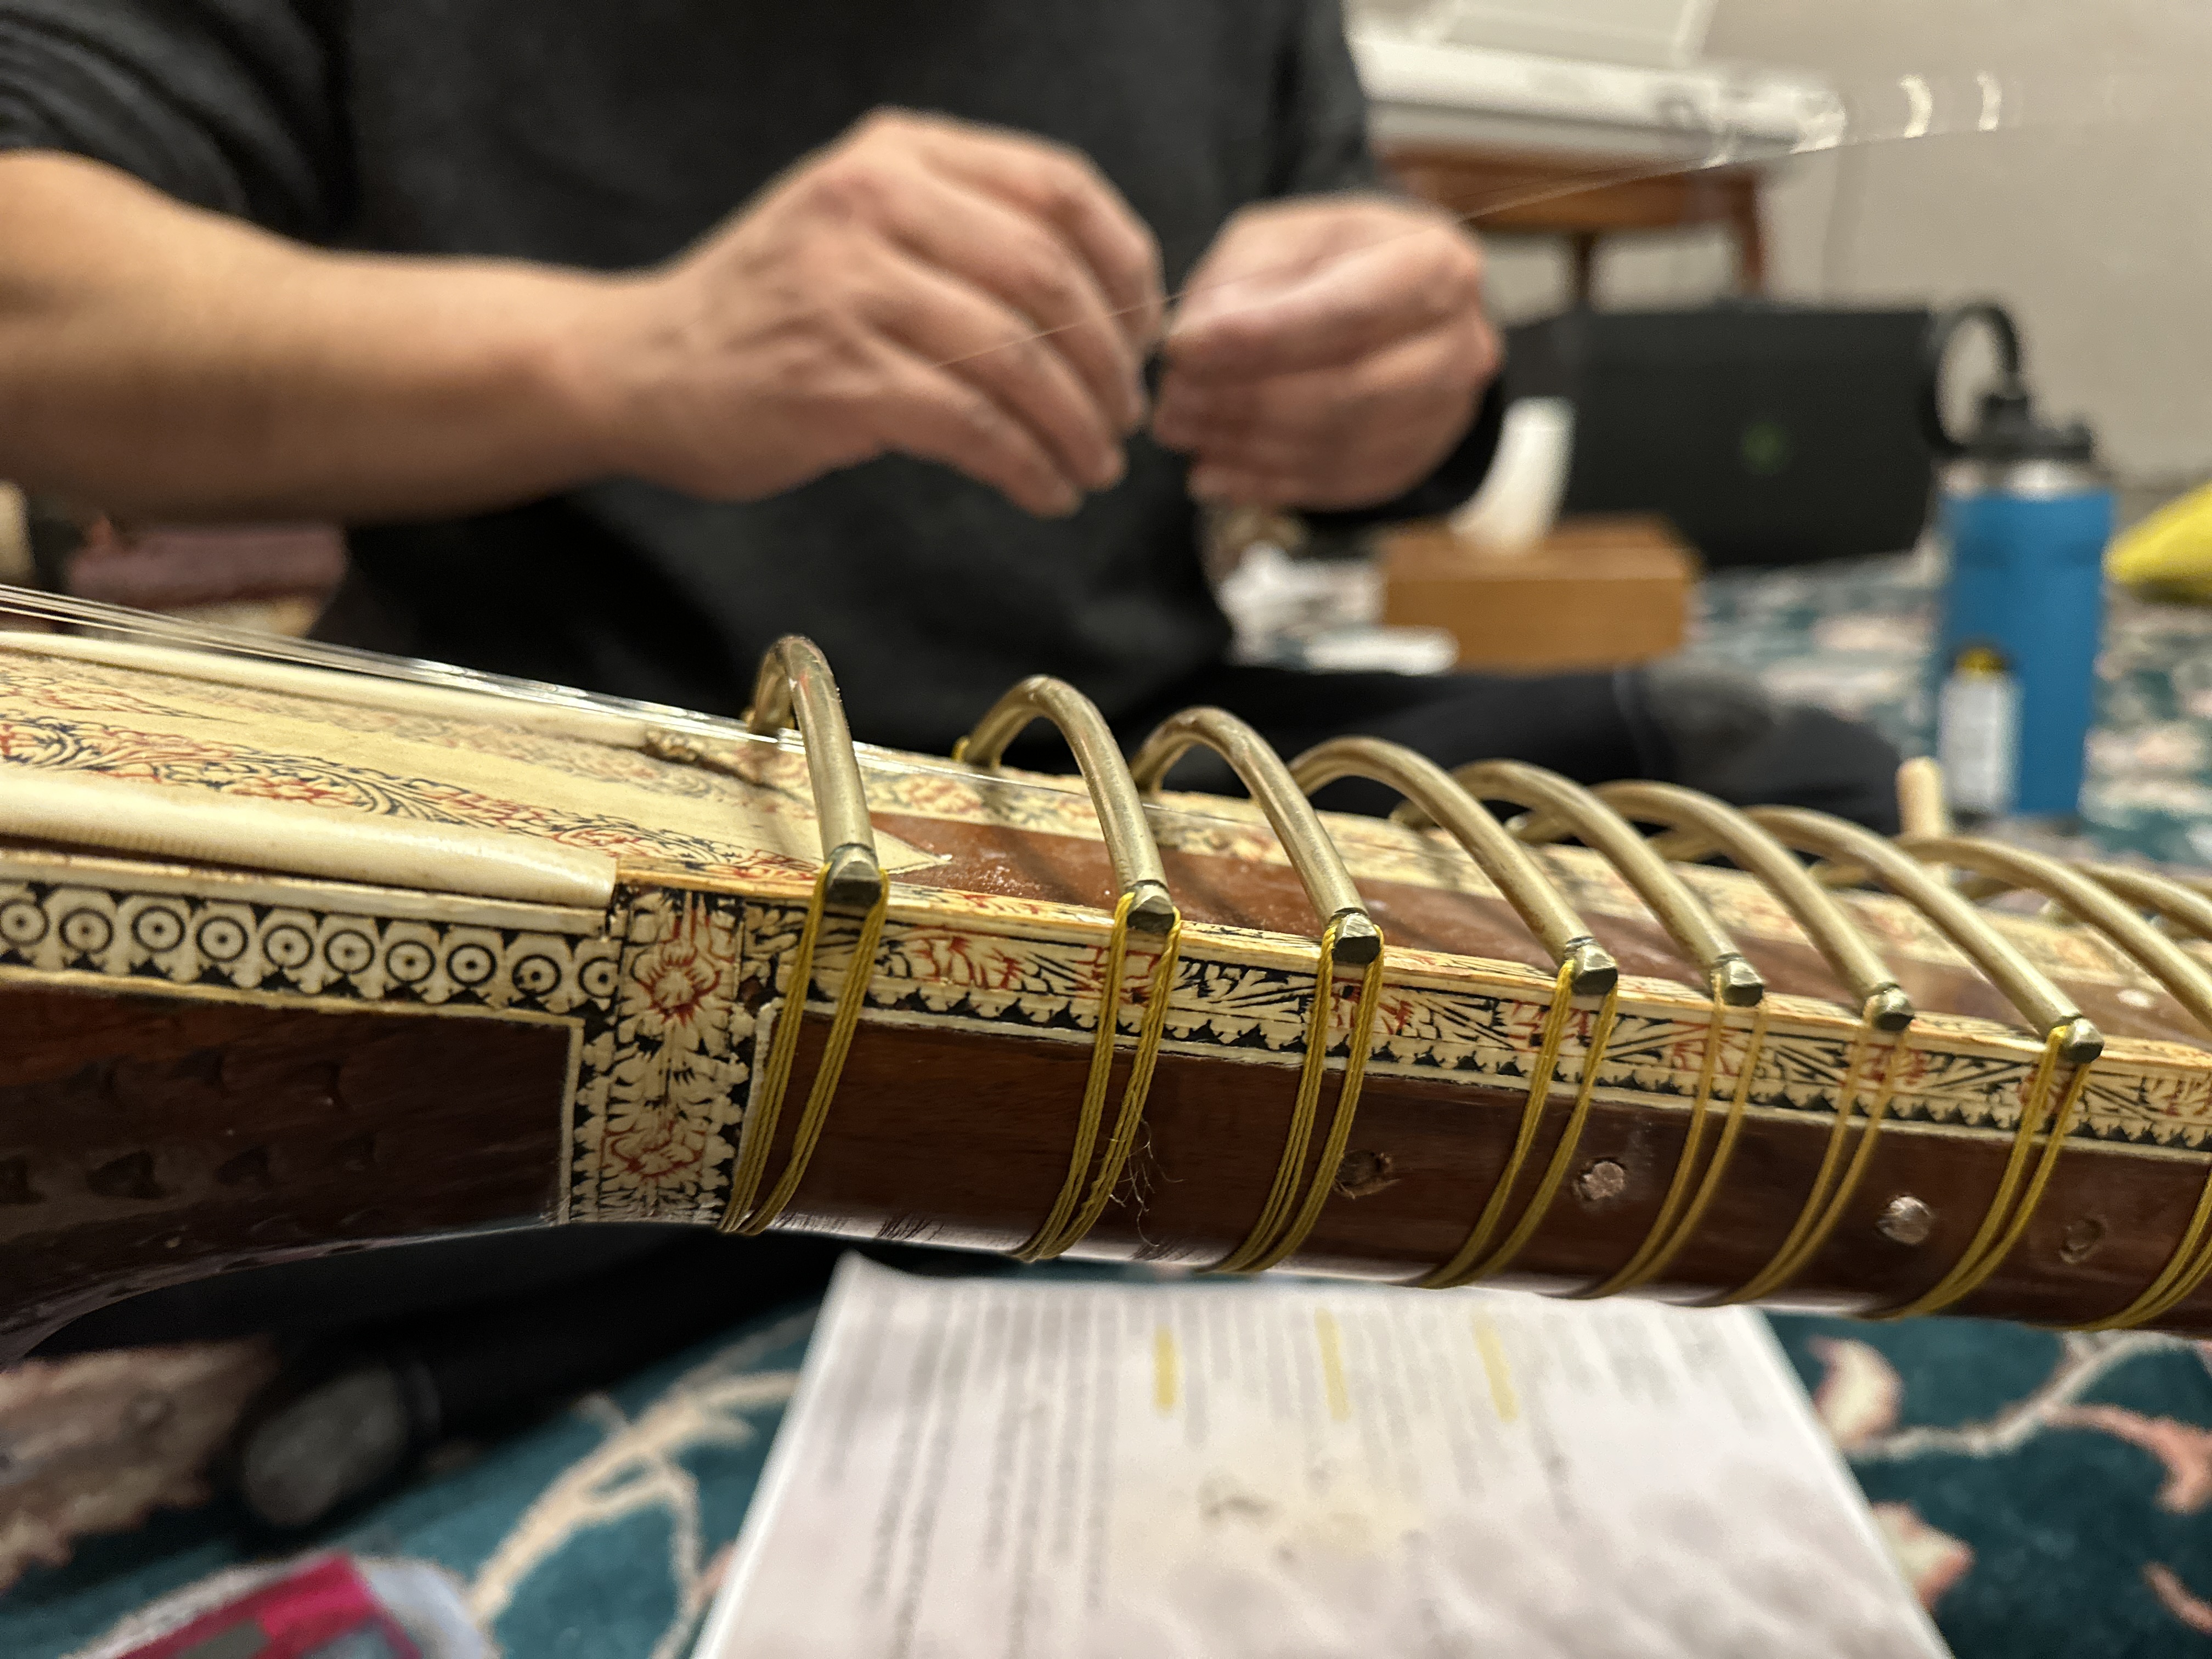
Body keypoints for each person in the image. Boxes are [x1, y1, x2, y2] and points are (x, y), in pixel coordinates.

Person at [0, 0, 1895, 814]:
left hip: (1116, 779)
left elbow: (1352, 300)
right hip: (560, 788)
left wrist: (1414, 392)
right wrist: (629, 360)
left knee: (1793, 800)